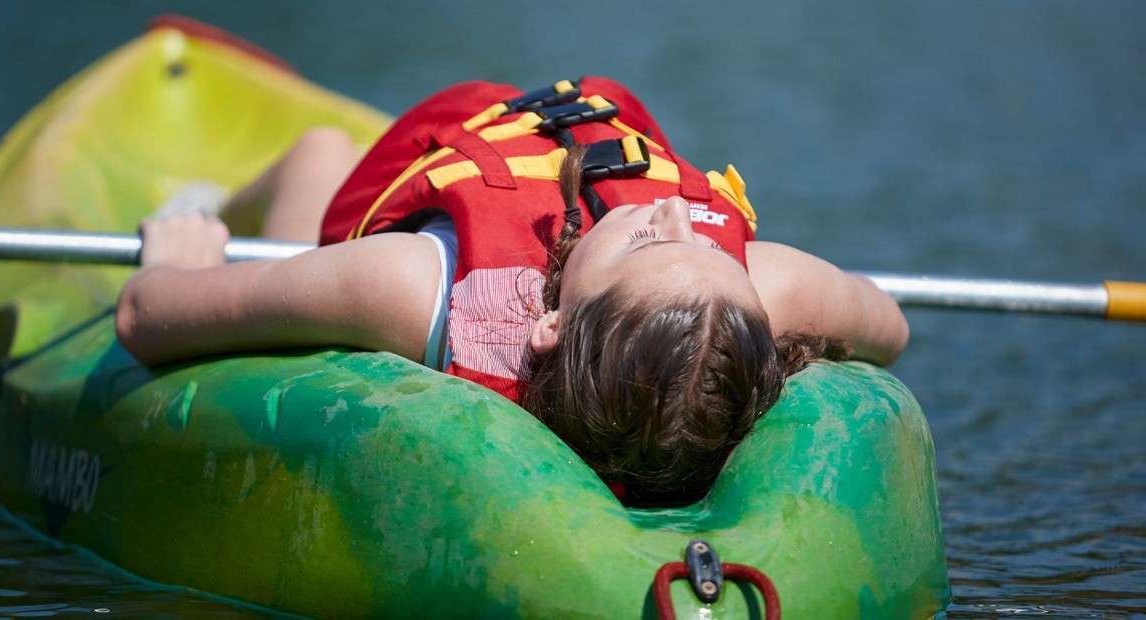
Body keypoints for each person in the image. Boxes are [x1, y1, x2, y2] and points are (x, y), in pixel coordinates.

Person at [116, 77, 908, 504]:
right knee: (323, 149)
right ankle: (248, 188)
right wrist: (822, 309)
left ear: (552, 325)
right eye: (704, 244)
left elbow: (145, 317)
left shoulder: (407, 289)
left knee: (322, 155)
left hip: (402, 207)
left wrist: (172, 260)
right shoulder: (764, 292)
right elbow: (893, 327)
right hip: (473, 153)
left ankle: (291, 168)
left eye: (645, 240)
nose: (672, 208)